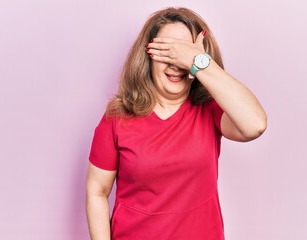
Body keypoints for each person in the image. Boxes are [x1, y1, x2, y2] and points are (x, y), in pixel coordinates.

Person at [86, 7, 267, 240]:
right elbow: (97, 191)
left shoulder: (210, 109)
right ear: (148, 55)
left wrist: (200, 63)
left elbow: (255, 124)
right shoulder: (117, 118)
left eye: (183, 52)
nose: (175, 62)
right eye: (166, 51)